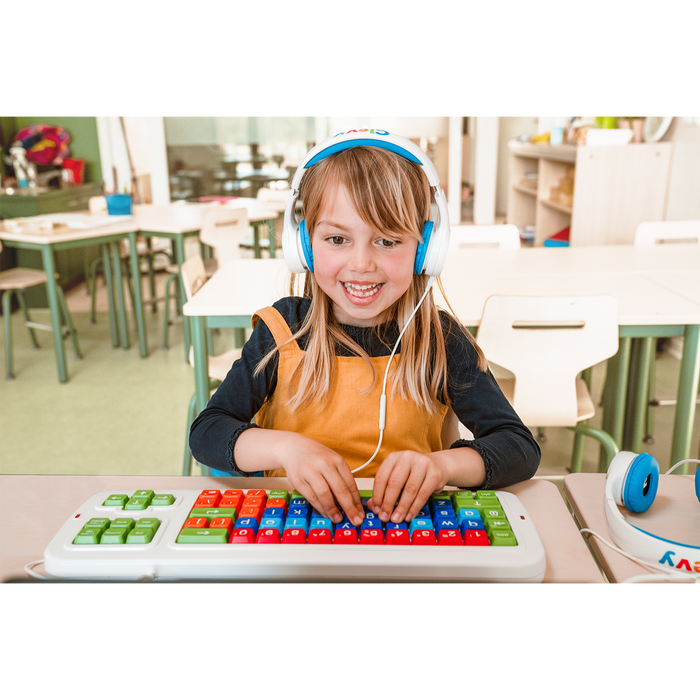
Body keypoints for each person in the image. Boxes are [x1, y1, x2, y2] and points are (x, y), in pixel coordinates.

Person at [189, 131, 540, 529]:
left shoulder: (440, 341)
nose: (361, 264)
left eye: (387, 241)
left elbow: (519, 447)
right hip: (289, 528)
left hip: (409, 530)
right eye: (337, 239)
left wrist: (441, 466)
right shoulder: (281, 330)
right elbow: (207, 432)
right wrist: (286, 449)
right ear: (304, 244)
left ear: (425, 250)